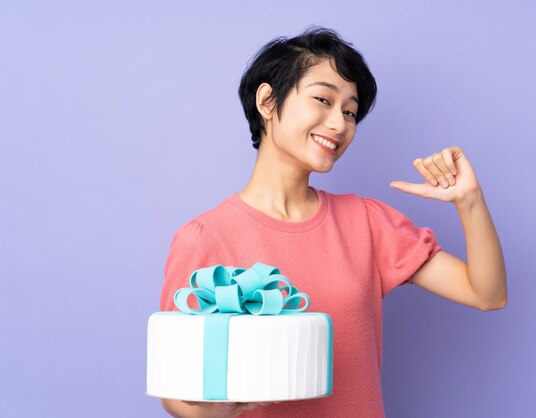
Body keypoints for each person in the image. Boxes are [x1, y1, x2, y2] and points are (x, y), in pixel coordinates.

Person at [159, 26, 507, 418]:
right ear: (267, 101)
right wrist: (228, 407)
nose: (340, 124)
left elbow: (487, 294)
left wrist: (469, 201)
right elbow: (175, 395)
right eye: (322, 99)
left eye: (350, 112)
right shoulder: (205, 237)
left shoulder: (366, 222)